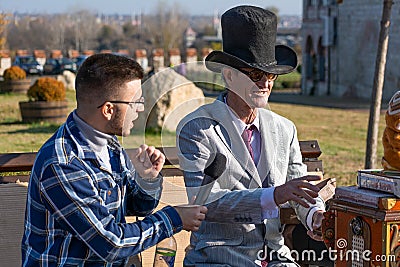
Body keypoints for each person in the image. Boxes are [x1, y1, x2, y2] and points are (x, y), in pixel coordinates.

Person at [21, 53, 208, 266]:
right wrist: (174, 218)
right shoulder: (62, 163)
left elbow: (138, 207)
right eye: (136, 101)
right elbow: (112, 243)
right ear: (108, 109)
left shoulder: (108, 145)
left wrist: (146, 180)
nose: (141, 108)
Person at [176, 6, 325, 267]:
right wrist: (274, 196)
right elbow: (203, 202)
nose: (266, 83)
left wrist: (315, 215)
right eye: (256, 75)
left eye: (271, 75)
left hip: (276, 258)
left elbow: (298, 188)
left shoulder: (284, 128)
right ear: (229, 76)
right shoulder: (197, 128)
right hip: (218, 259)